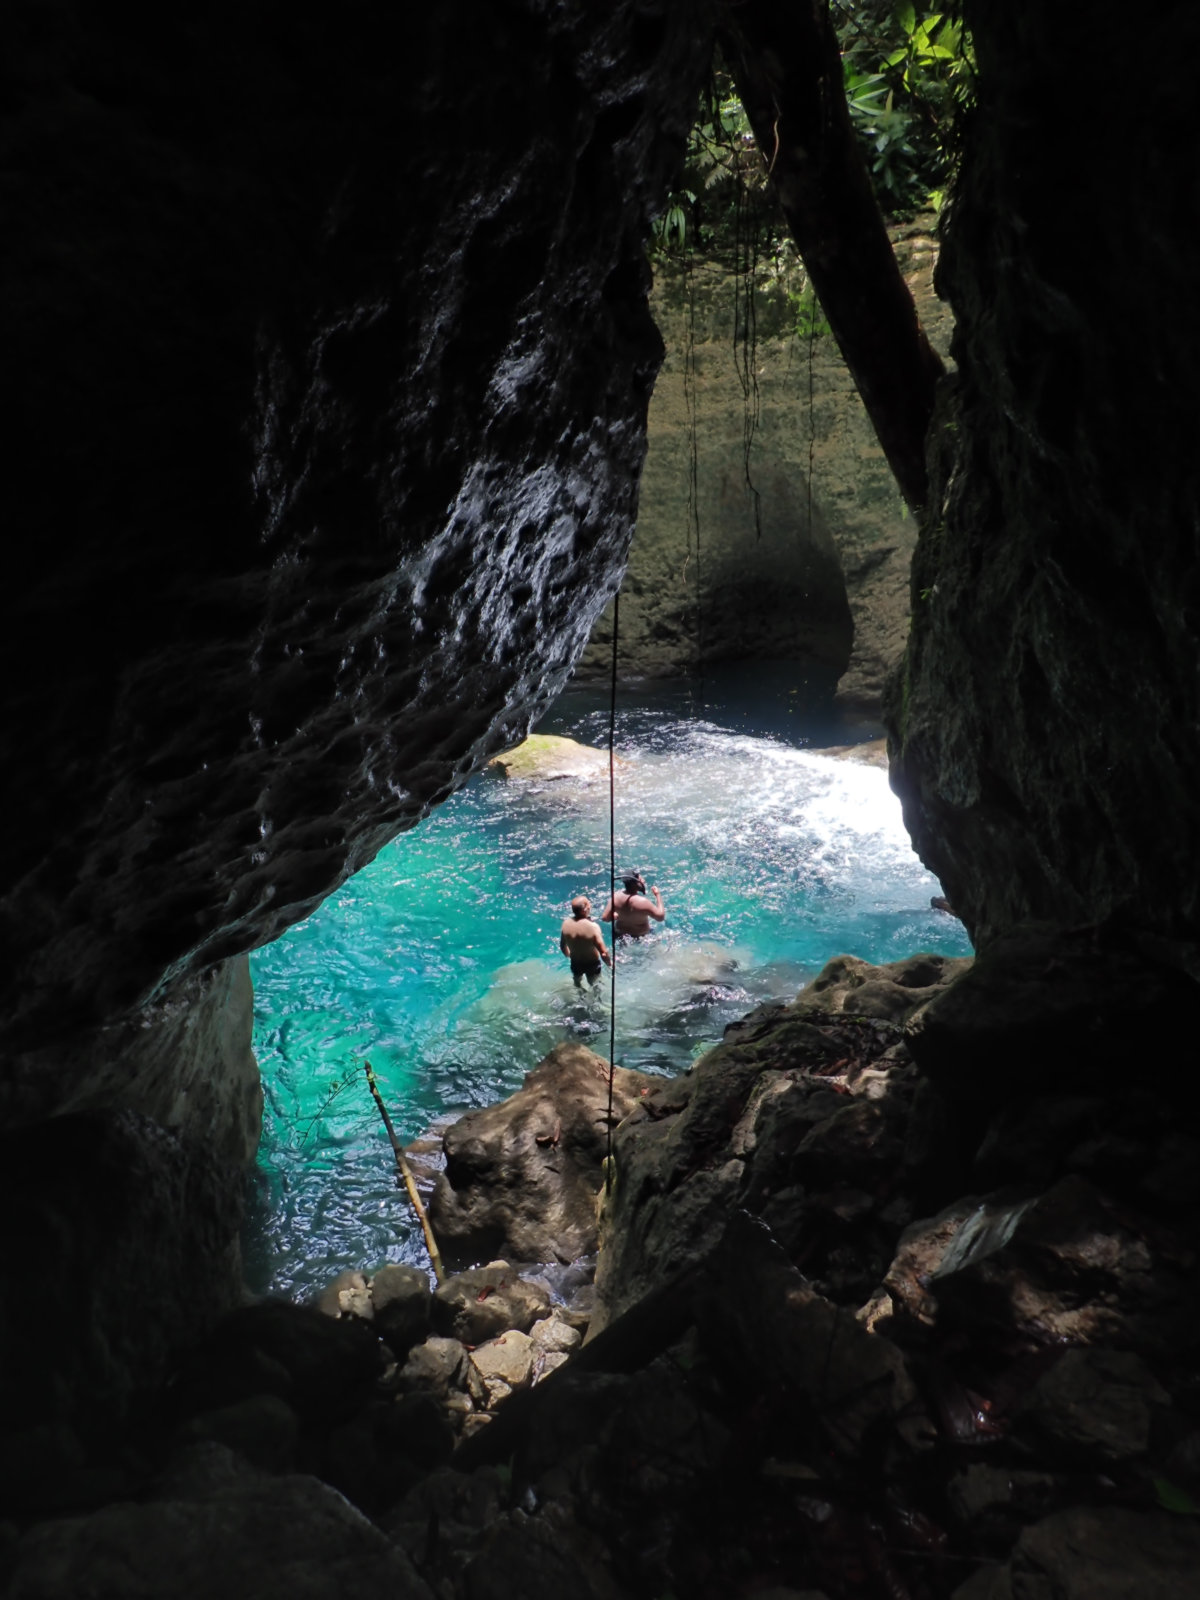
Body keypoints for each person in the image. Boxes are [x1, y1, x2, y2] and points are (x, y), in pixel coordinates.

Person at [559, 895, 612, 987]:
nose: (590, 905)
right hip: (591, 964)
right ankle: (596, 1000)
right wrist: (610, 965)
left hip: (575, 963)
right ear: (585, 909)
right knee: (595, 985)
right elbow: (603, 953)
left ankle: (580, 997)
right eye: (588, 904)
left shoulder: (565, 924)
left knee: (577, 982)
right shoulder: (593, 927)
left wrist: (569, 956)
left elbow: (563, 946)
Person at [601, 873, 666, 939]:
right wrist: (658, 895)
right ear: (635, 883)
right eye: (640, 879)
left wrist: (613, 915)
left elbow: (605, 918)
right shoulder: (643, 902)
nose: (643, 881)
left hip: (620, 935)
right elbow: (660, 917)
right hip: (642, 937)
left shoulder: (616, 896)